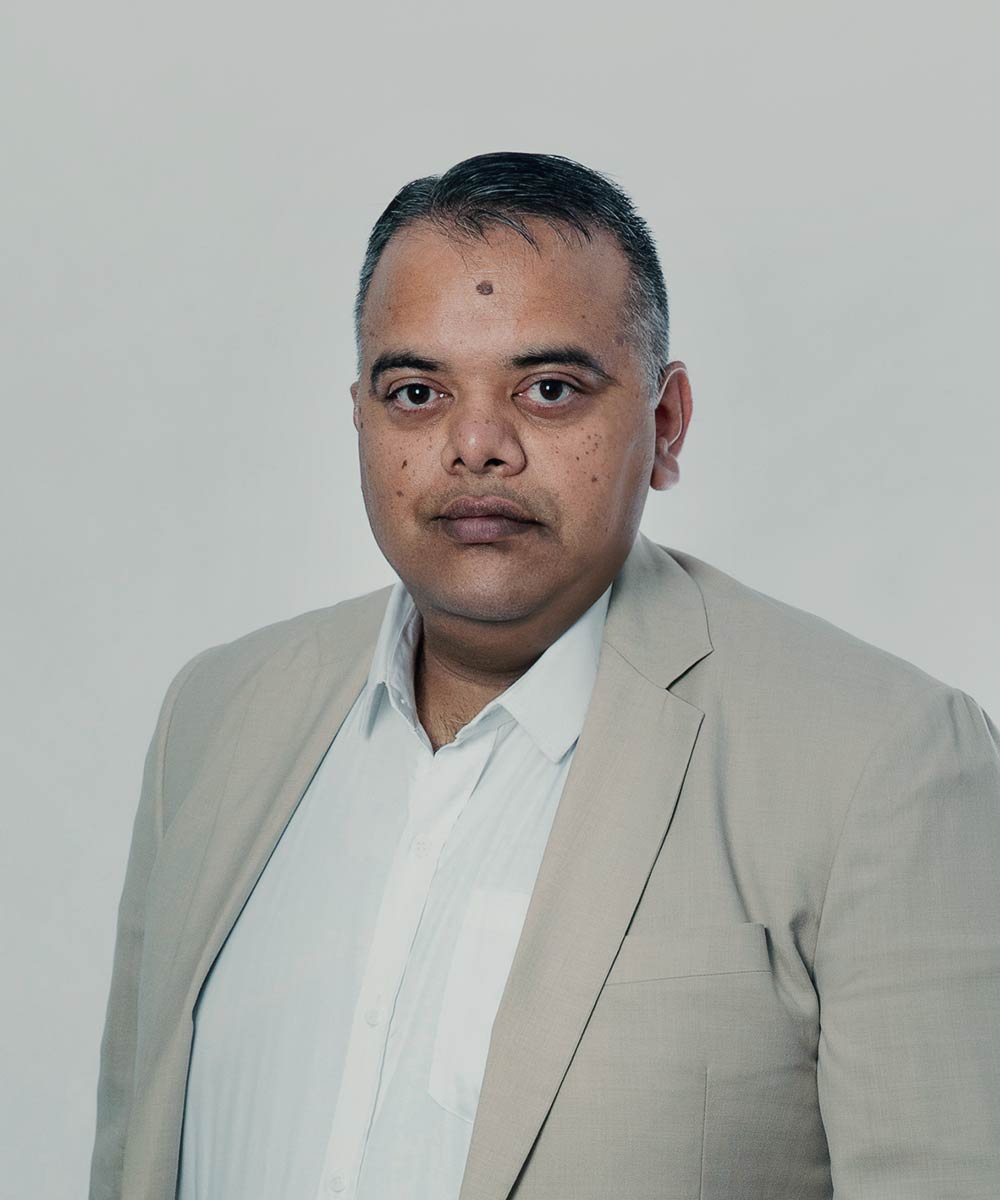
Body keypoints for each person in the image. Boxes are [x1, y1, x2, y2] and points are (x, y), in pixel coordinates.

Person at [89, 151, 1000, 1200]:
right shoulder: (213, 719)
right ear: (360, 418)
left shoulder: (884, 766)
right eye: (418, 391)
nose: (477, 446)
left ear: (665, 424)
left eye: (550, 389)